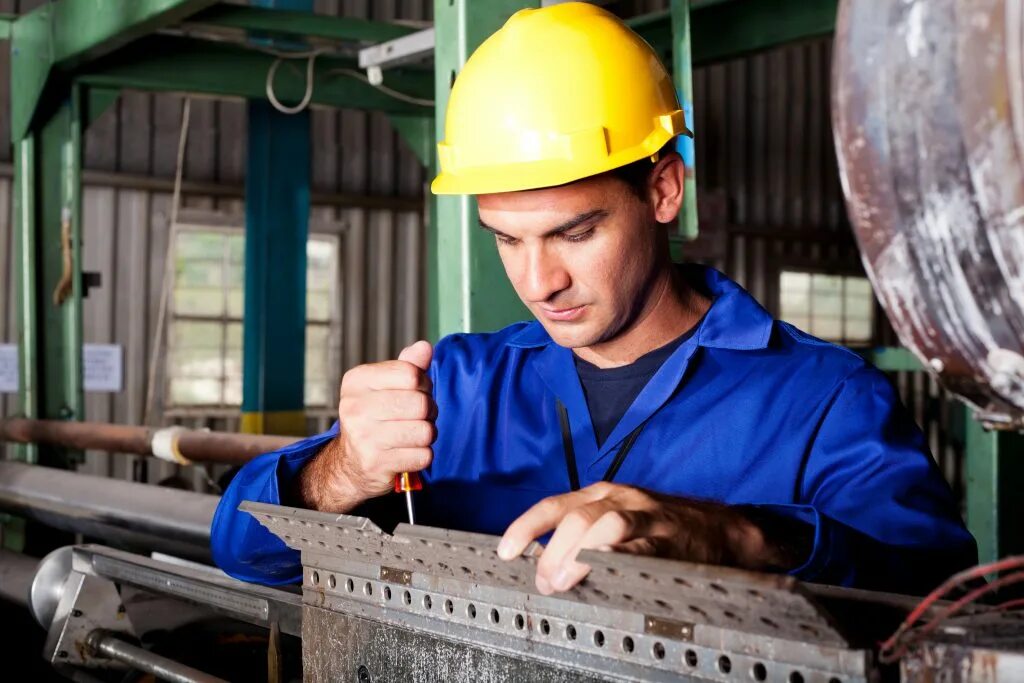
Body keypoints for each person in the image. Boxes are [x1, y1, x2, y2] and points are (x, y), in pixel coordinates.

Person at [211, 2, 975, 595]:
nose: (539, 281)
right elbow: (242, 552)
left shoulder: (822, 400)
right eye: (507, 239)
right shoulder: (457, 388)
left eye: (574, 232)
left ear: (664, 189)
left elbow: (934, 595)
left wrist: (735, 539)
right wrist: (341, 470)